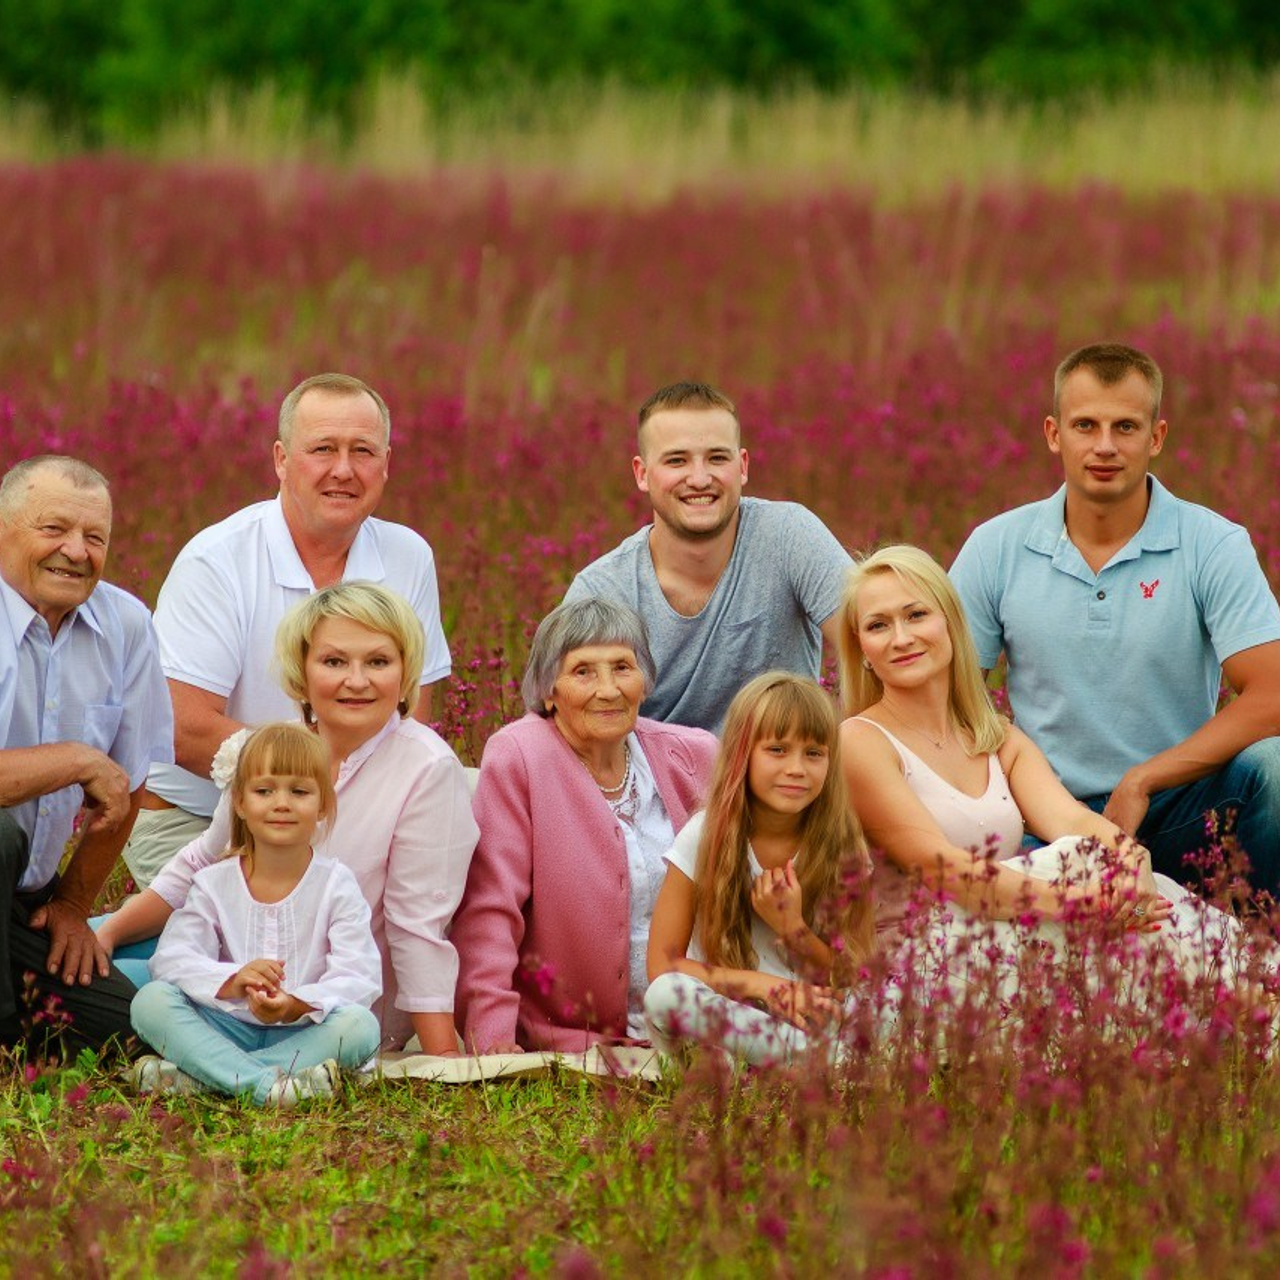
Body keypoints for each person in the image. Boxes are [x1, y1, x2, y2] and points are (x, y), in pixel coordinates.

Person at [951, 344, 1280, 896]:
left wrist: (1144, 779)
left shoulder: (1212, 544)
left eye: (1125, 426)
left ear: (1156, 438)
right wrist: (1023, 790)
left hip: (1179, 808)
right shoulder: (996, 547)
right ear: (1055, 434)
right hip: (1044, 818)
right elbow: (943, 694)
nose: (1105, 446)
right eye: (1086, 425)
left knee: (1276, 765)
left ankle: (1263, 950)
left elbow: (1272, 694)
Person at [838, 545, 1240, 997]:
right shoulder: (860, 740)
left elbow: (1071, 819)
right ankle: (1235, 1001)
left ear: (950, 622)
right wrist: (1083, 905)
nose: (901, 637)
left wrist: (1133, 865)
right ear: (863, 651)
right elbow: (940, 868)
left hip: (1007, 931)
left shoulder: (997, 738)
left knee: (1109, 863)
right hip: (925, 963)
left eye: (915, 615)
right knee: (1088, 868)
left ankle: (1238, 996)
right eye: (878, 625)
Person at [95, 583, 477, 1053]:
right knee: (83, 961)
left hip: (330, 1004)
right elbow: (199, 863)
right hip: (237, 981)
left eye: (378, 662)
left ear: (405, 672)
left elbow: (417, 924)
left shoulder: (427, 768)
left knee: (104, 993)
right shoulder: (278, 748)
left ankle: (242, 1072)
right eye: (334, 662)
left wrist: (442, 1056)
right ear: (303, 670)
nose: (356, 680)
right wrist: (108, 935)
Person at [124, 372, 453, 888]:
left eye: (363, 451)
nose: (343, 470)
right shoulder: (217, 561)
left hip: (347, 813)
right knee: (263, 949)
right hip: (194, 819)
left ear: (386, 465)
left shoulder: (408, 556)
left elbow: (414, 715)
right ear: (281, 460)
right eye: (322, 448)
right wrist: (313, 785)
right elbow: (182, 727)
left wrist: (356, 809)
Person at [451, 598, 717, 1053]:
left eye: (622, 667)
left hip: (700, 1022)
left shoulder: (693, 756)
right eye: (583, 672)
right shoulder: (520, 757)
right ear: (548, 690)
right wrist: (492, 1037)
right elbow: (490, 908)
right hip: (575, 1037)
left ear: (645, 680)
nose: (609, 689)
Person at [0, 455, 172, 1055]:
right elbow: (96, 772)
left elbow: (133, 782)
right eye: (54, 529)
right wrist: (76, 759)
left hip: (26, 902)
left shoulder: (125, 624)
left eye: (95, 537)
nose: (76, 551)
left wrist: (73, 905)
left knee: (129, 1035)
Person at [563, 381, 850, 731]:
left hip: (785, 776)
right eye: (676, 461)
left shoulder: (789, 536)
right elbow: (569, 725)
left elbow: (873, 646)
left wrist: (853, 744)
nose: (699, 478)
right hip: (658, 781)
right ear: (642, 473)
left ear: (742, 466)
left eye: (717, 458)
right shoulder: (603, 590)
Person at [130, 723, 382, 1106]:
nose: (281, 803)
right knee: (150, 1001)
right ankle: (271, 1088)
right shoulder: (213, 882)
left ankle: (209, 1080)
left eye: (299, 791)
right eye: (264, 791)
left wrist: (295, 1002)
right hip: (225, 1027)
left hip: (302, 1032)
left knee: (361, 1027)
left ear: (323, 804)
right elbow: (172, 959)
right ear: (240, 803)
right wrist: (233, 980)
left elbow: (358, 976)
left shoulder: (337, 884)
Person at [645, 673, 877, 1066]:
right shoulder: (704, 836)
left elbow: (852, 973)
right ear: (743, 754)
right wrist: (768, 988)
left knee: (889, 997)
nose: (797, 768)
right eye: (777, 750)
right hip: (729, 1009)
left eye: (814, 753)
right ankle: (818, 1063)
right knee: (665, 995)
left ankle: (795, 1058)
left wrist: (794, 929)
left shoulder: (842, 843)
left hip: (811, 1014)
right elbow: (662, 965)